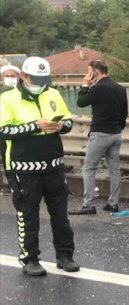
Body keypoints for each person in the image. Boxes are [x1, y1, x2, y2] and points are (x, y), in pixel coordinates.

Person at [0, 57, 79, 276]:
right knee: (28, 214)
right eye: (36, 79)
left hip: (53, 164)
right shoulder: (7, 99)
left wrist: (61, 125)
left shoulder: (52, 93)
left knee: (60, 214)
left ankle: (65, 255)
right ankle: (30, 258)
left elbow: (69, 121)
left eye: (44, 79)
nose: (41, 83)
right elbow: (3, 131)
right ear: (23, 76)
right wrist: (35, 126)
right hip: (23, 167)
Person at [70, 60, 128, 215]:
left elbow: (81, 102)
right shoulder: (120, 89)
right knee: (114, 170)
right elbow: (124, 114)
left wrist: (84, 85)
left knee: (89, 168)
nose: (88, 75)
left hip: (100, 133)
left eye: (89, 72)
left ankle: (88, 204)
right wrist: (118, 127)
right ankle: (113, 204)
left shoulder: (97, 89)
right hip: (116, 134)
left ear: (95, 72)